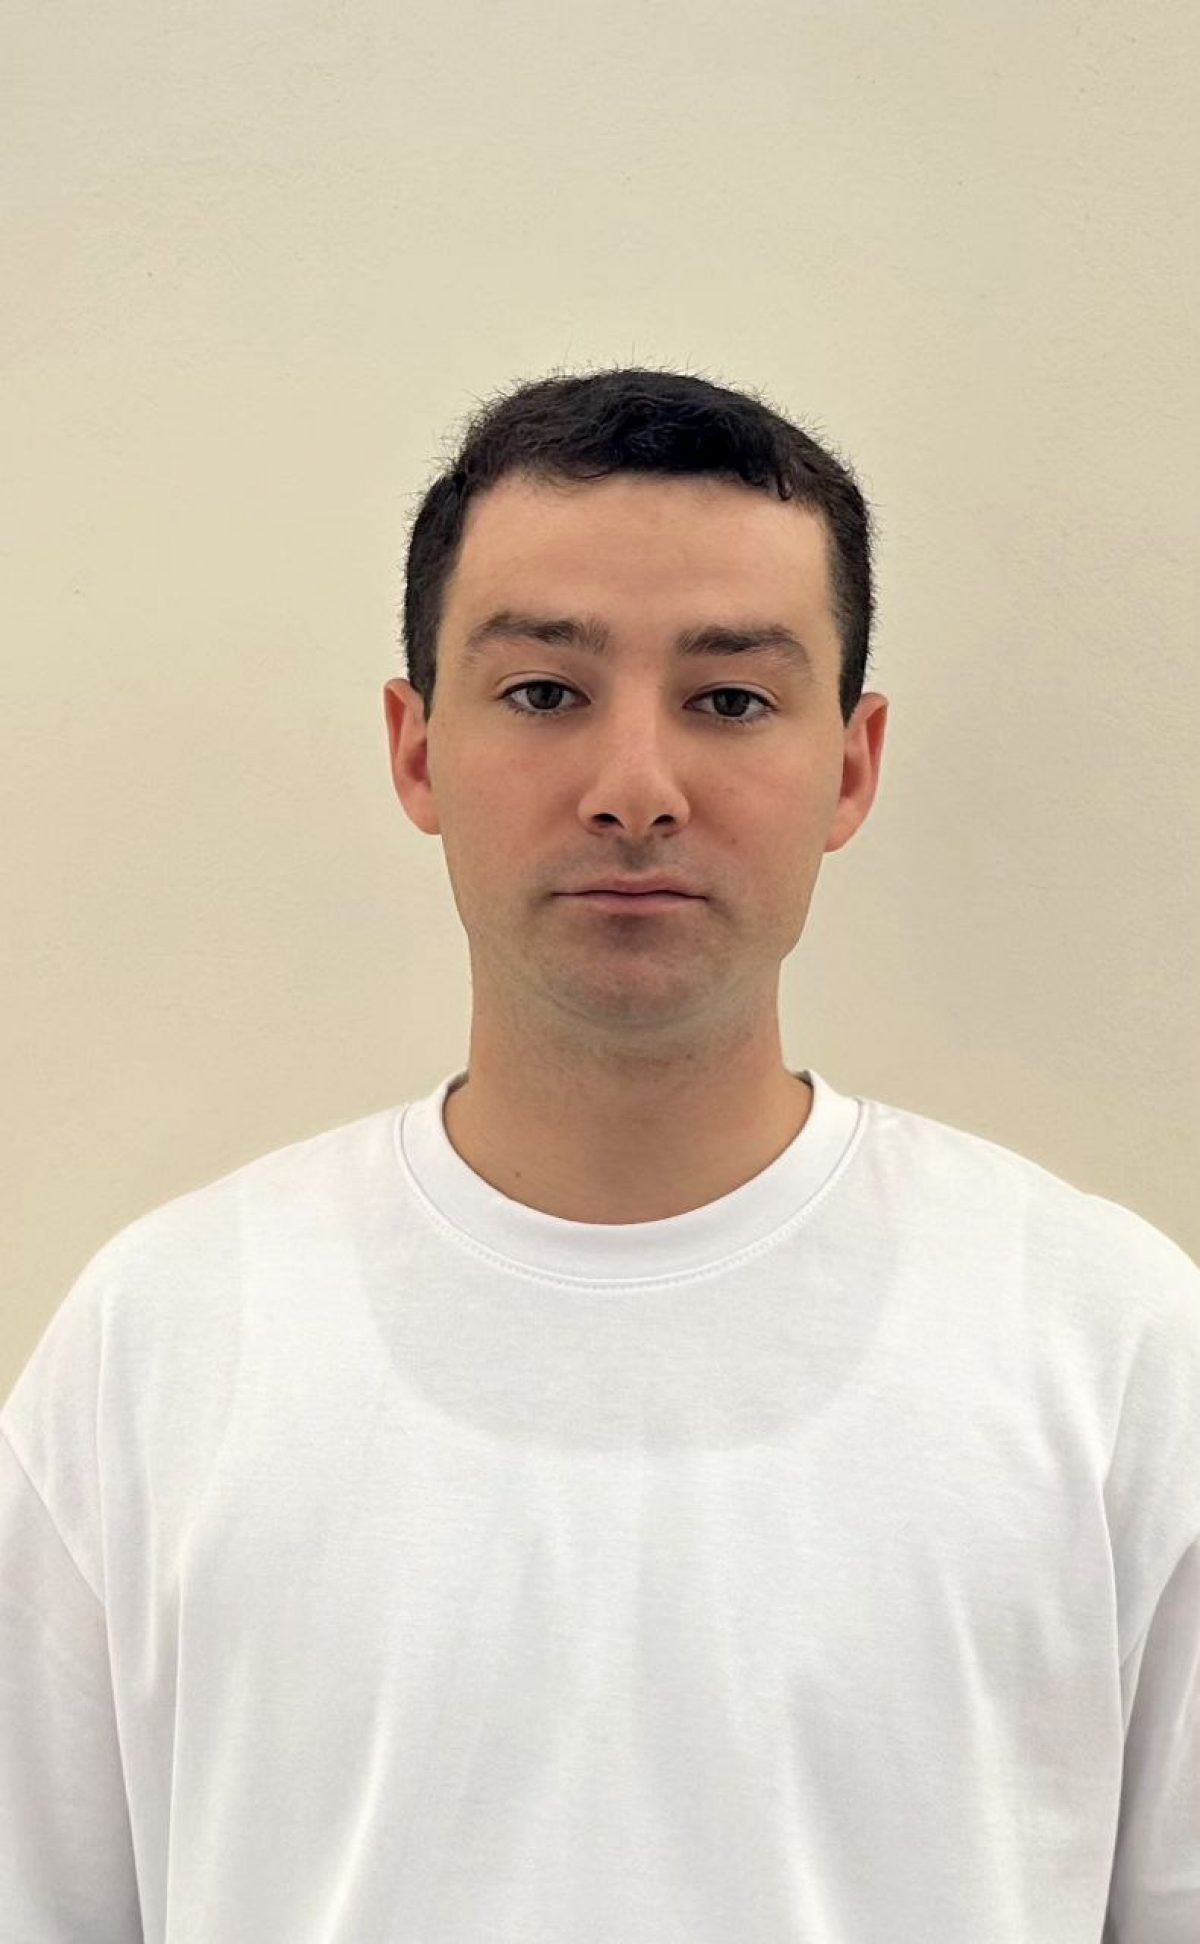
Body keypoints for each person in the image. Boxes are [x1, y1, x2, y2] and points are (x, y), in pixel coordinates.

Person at [2, 367, 1196, 1942]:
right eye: (545, 693)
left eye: (731, 700)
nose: (636, 789)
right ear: (416, 748)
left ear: (852, 765)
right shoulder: (159, 1346)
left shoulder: (1112, 1349)